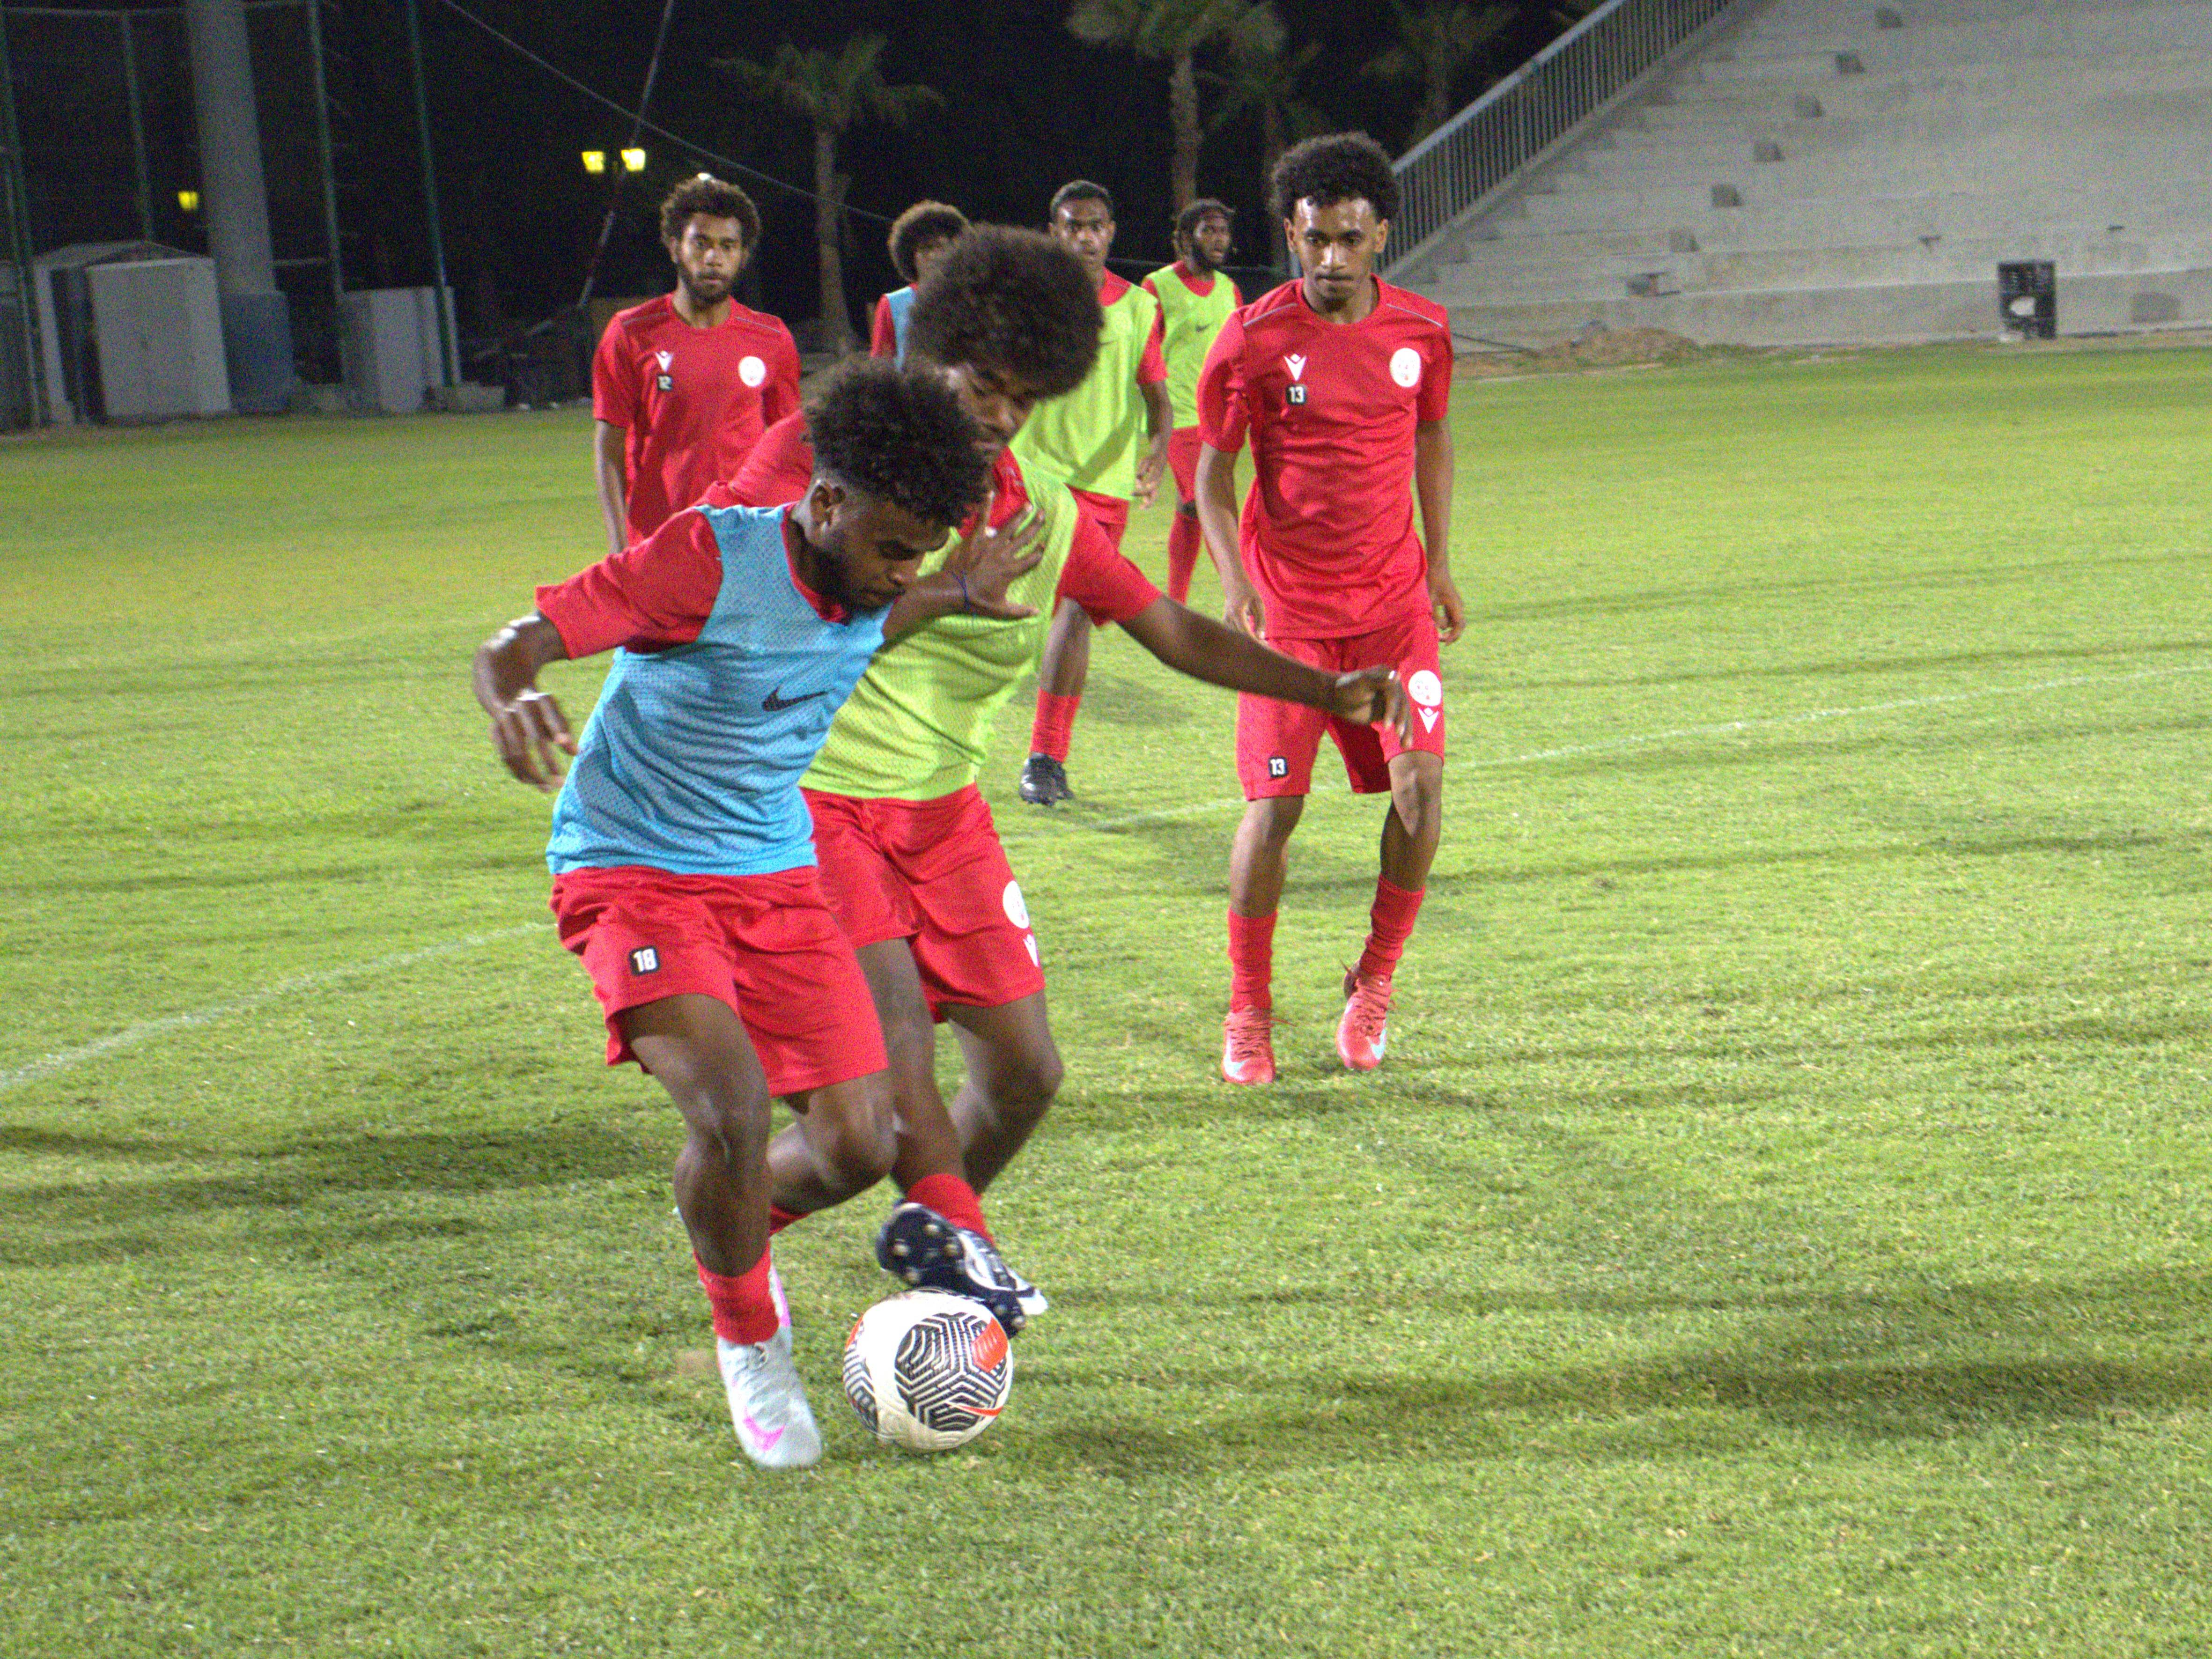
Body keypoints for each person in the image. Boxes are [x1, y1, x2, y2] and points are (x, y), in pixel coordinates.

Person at [723, 227, 1409, 1274]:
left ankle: (921, 1249)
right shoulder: (815, 465)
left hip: (944, 813)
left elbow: (1167, 626)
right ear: (931, 347)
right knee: (887, 1100)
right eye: (983, 382)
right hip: (808, 806)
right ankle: (901, 1265)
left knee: (1026, 1074)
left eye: (1024, 396)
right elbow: (740, 623)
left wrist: (1322, 687)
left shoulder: (1032, 504)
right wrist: (944, 591)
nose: (1000, 415)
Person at [473, 360, 1040, 1471]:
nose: (898, 575)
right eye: (889, 550)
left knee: (856, 1141)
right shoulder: (706, 556)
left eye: (917, 556)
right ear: (823, 504)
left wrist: (953, 591)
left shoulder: (872, 581)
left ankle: (735, 1233)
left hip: (775, 878)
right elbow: (520, 639)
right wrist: (512, 692)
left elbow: (866, 621)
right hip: (631, 866)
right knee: (731, 1106)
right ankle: (749, 1342)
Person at [1193, 133, 1463, 1086]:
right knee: (1274, 810)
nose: (1333, 259)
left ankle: (1374, 981)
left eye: (1351, 238)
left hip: (1393, 608)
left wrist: (1440, 563)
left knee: (1423, 793)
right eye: (1316, 240)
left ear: (1382, 232)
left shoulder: (1422, 332)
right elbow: (1212, 470)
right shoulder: (1254, 338)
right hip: (1293, 618)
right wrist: (1233, 580)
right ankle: (1249, 1010)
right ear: (1291, 234)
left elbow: (1430, 437)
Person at [1012, 180, 1174, 809]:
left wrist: (1157, 451)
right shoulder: (1030, 298)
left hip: (1105, 490)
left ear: (1111, 232)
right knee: (1006, 614)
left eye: (1096, 225)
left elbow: (1157, 393)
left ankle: (1046, 757)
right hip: (1032, 477)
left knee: (1076, 613)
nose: (1086, 236)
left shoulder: (1138, 307)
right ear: (1055, 231)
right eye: (1073, 226)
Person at [590, 174, 801, 556]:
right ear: (674, 247)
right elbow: (609, 452)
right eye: (700, 243)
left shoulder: (771, 338)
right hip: (659, 545)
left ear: (742, 255)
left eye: (727, 246)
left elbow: (788, 446)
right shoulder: (630, 333)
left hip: (747, 542)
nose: (713, 258)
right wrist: (621, 552)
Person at [1142, 199, 1241, 605]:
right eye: (1208, 230)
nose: (1219, 239)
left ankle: (1175, 603)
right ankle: (1243, 601)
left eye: (1223, 231)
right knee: (1205, 502)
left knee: (1194, 509)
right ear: (1185, 239)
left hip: (1220, 419)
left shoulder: (1229, 291)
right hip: (1179, 416)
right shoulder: (1158, 286)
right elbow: (1145, 353)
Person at [870, 200, 968, 364]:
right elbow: (880, 369)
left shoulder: (971, 298)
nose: (934, 255)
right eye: (926, 248)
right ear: (911, 257)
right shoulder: (892, 305)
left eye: (941, 247)